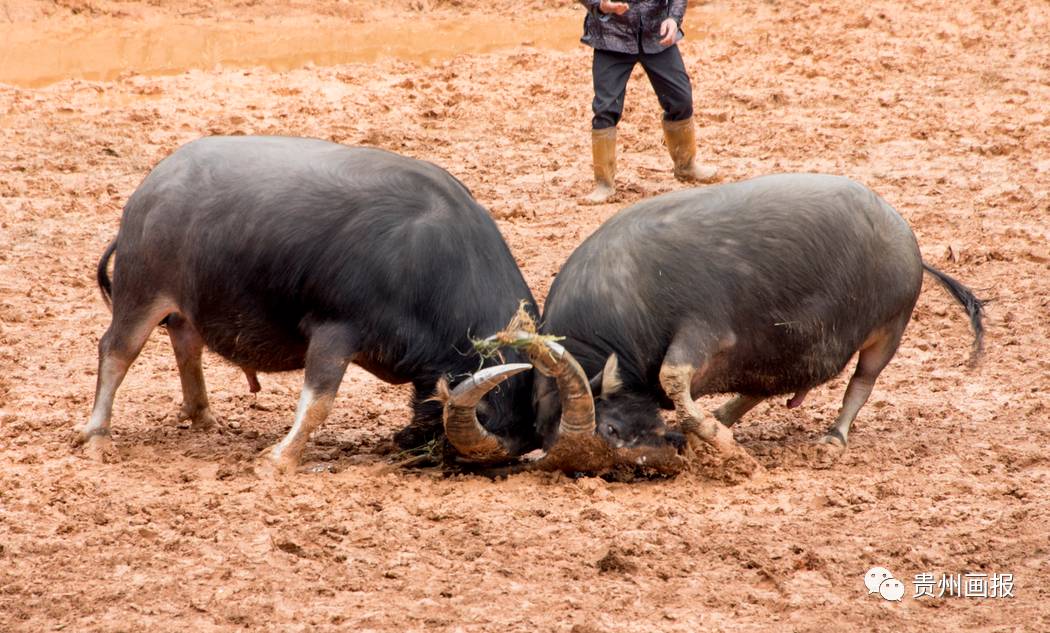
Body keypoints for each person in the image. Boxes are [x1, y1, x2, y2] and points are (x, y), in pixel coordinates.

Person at [578, 0, 718, 204]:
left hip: (657, 34)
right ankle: (604, 183)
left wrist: (673, 18)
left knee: (681, 99)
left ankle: (686, 166)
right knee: (605, 109)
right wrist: (601, 5)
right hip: (611, 37)